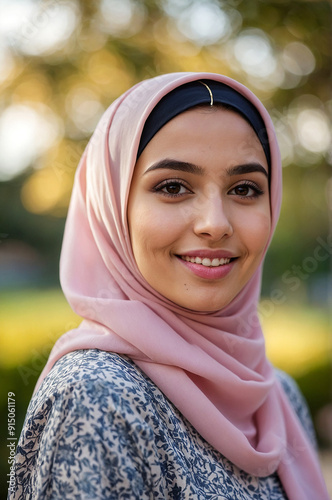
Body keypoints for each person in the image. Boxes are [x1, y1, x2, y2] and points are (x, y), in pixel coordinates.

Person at [9, 72, 329, 499]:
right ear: (114, 207)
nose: (215, 223)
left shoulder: (277, 396)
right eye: (173, 186)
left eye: (245, 188)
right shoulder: (95, 399)